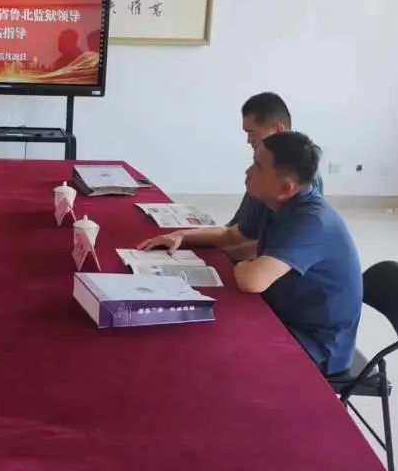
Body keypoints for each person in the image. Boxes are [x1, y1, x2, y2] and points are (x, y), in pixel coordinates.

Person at [138, 132, 362, 376]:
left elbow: (252, 280)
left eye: (257, 165)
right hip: (280, 312)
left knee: (209, 350)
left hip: (315, 345)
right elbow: (231, 235)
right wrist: (182, 235)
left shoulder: (312, 221)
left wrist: (245, 263)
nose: (248, 172)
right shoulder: (273, 201)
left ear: (285, 187)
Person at [225, 92, 324, 261]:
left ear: (278, 130)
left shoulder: (298, 178)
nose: (248, 141)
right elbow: (238, 229)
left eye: (252, 133)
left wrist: (222, 254)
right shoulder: (265, 168)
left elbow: (271, 247)